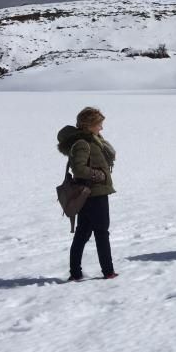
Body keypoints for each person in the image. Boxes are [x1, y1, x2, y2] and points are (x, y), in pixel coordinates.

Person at [56, 107, 118, 281]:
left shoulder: (93, 140)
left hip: (94, 193)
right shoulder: (83, 143)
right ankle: (108, 271)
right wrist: (98, 175)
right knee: (101, 232)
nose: (101, 128)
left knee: (83, 233)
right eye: (99, 124)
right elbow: (79, 169)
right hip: (94, 194)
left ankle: (75, 273)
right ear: (89, 125)